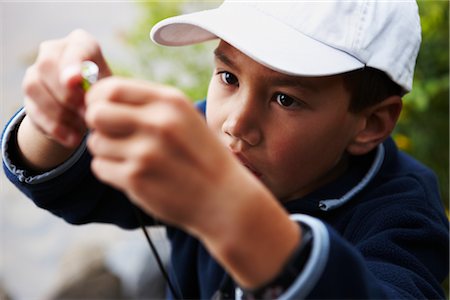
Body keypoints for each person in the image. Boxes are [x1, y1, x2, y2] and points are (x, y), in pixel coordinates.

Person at [2, 1, 449, 299]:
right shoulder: (203, 132)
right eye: (229, 78)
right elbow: (76, 184)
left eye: (286, 99)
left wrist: (229, 209)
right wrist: (53, 121)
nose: (236, 124)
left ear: (370, 123)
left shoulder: (404, 214)